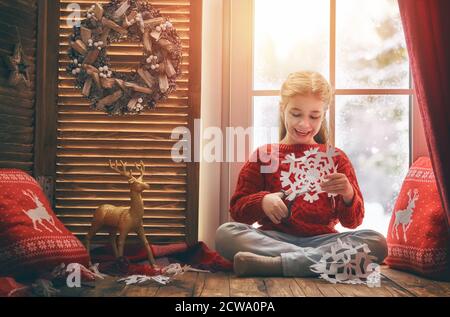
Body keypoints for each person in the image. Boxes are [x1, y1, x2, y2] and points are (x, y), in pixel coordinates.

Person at [216, 71, 387, 277]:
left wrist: (348, 194)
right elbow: (237, 211)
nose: (304, 124)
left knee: (376, 242)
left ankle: (276, 265)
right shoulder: (264, 155)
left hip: (323, 240)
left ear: (323, 115)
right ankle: (311, 262)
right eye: (296, 114)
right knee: (225, 234)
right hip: (274, 239)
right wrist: (262, 202)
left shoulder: (336, 158)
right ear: (282, 109)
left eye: (314, 116)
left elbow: (353, 222)